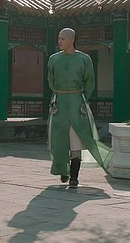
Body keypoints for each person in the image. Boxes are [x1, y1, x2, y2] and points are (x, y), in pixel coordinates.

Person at [47, 28, 112, 187]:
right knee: (58, 139)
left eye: (63, 38)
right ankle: (63, 170)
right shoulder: (53, 59)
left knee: (76, 139)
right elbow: (51, 80)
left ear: (72, 40)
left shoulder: (84, 59)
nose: (60, 41)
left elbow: (89, 82)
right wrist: (58, 96)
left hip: (77, 102)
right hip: (59, 103)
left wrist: (81, 98)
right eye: (59, 38)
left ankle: (74, 177)